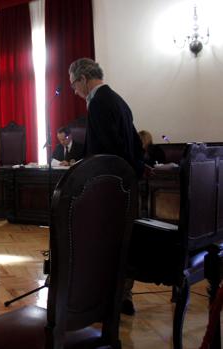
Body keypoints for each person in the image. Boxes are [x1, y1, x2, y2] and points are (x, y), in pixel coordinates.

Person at [69, 57, 145, 317]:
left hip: (110, 187)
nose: (75, 92)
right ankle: (122, 294)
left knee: (108, 242)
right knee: (123, 241)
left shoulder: (99, 103)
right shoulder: (118, 100)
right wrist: (138, 170)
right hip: (126, 183)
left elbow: (106, 152)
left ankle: (106, 298)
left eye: (74, 85)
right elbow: (134, 143)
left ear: (83, 79)